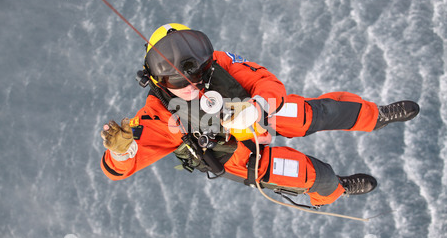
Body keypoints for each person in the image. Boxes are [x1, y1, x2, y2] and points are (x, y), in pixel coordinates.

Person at [100, 23, 420, 207]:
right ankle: (338, 187)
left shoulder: (221, 63)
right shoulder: (156, 115)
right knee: (310, 176)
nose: (193, 82)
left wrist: (258, 107)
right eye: (178, 80)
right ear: (157, 80)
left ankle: (375, 116)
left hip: (259, 115)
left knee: (317, 113)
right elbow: (118, 169)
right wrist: (122, 150)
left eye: (196, 68)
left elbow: (267, 82)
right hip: (236, 154)